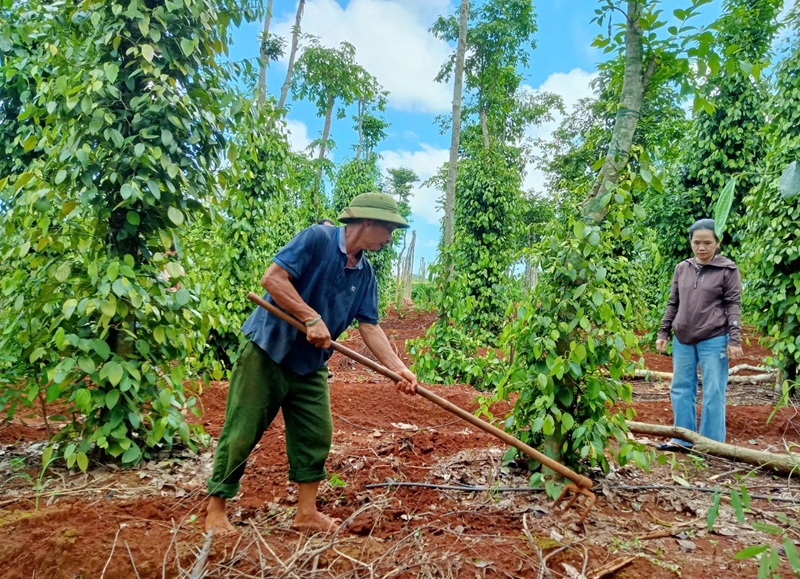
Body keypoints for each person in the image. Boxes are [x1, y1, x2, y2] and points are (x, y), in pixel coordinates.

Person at [205, 192, 418, 535]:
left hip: (309, 364)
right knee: (242, 431)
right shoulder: (317, 239)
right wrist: (309, 317)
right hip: (267, 351)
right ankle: (217, 508)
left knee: (316, 434)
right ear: (366, 221)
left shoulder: (365, 274)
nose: (391, 237)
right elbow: (272, 279)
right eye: (388, 228)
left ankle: (306, 512)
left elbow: (370, 325)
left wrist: (398, 368)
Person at [655, 218, 743, 451]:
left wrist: (734, 338)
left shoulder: (727, 269)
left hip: (713, 338)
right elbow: (673, 302)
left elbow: (733, 304)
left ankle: (710, 446)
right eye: (697, 243)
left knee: (714, 390)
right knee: (681, 387)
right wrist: (663, 332)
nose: (701, 248)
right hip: (682, 338)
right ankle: (682, 440)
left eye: (707, 242)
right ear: (691, 243)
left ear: (718, 242)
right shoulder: (682, 268)